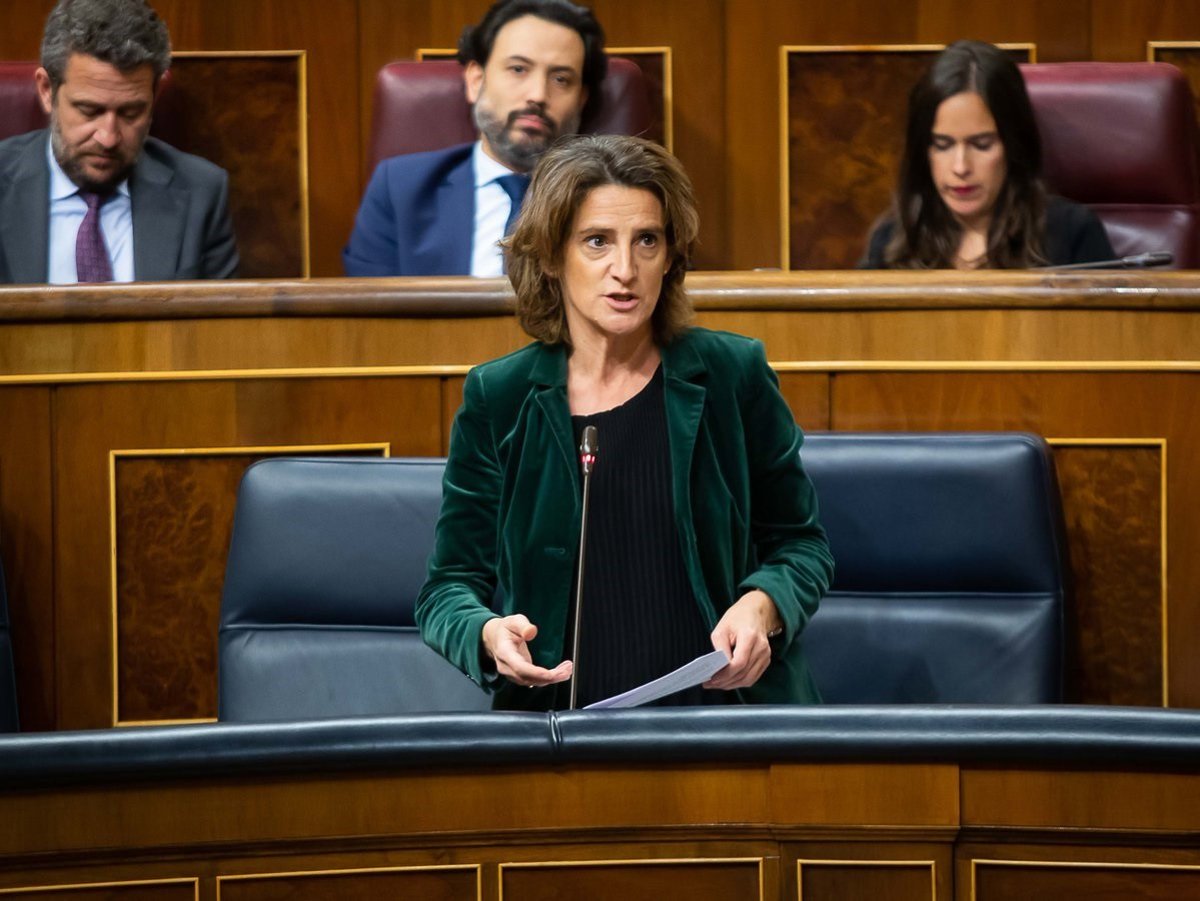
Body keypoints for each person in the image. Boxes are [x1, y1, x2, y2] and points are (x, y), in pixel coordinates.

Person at [416, 134, 834, 711]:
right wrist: (487, 634)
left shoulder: (731, 374)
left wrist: (763, 606)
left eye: (647, 240)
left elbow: (801, 545)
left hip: (722, 719)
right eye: (597, 241)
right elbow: (447, 588)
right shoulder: (501, 396)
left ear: (671, 256)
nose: (625, 269)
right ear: (550, 257)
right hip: (562, 727)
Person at [343, 0, 606, 278]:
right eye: (518, 69)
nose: (538, 94)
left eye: (561, 79)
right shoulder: (399, 189)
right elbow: (370, 303)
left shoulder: (607, 200)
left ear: (581, 99)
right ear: (476, 80)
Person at [0, 0, 239, 285]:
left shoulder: (202, 194)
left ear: (154, 97)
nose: (109, 137)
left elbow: (218, 313)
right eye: (89, 111)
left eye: (130, 113)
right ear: (46, 90)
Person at [860, 40, 1115, 270]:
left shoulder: (1071, 232)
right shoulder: (891, 241)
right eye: (943, 145)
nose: (960, 167)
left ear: (1013, 144)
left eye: (981, 145)